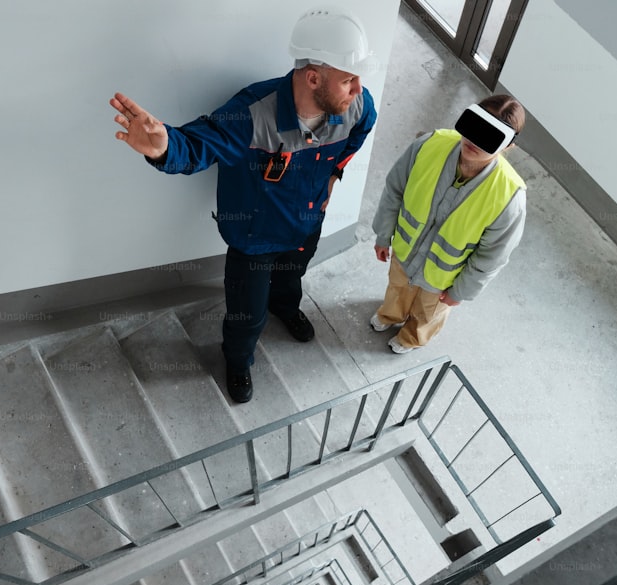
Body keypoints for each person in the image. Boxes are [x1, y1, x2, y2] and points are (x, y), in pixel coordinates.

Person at [111, 7, 377, 403]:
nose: (359, 88)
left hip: (306, 225)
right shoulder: (252, 114)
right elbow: (200, 144)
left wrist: (335, 175)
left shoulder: (356, 107)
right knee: (246, 315)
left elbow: (359, 133)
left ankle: (285, 309)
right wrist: (165, 146)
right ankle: (237, 360)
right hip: (254, 240)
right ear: (314, 77)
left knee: (291, 280)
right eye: (349, 79)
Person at [370, 95, 527, 354]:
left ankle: (411, 338)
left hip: (443, 279)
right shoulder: (430, 145)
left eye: (489, 136)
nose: (474, 140)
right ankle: (391, 316)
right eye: (475, 126)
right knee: (396, 289)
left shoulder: (509, 196)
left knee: (427, 313)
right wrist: (383, 235)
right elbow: (394, 190)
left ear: (508, 146)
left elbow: (493, 256)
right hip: (404, 253)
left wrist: (461, 291)